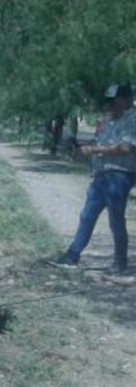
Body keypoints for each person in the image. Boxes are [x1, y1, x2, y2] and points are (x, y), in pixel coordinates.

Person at [50, 84, 136, 274]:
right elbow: (100, 143)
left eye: (114, 101)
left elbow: (125, 148)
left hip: (119, 175)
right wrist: (82, 147)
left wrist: (95, 150)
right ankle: (72, 256)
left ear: (127, 99)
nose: (111, 105)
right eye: (110, 102)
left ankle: (120, 262)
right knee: (87, 216)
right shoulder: (110, 120)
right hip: (100, 175)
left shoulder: (133, 118)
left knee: (116, 220)